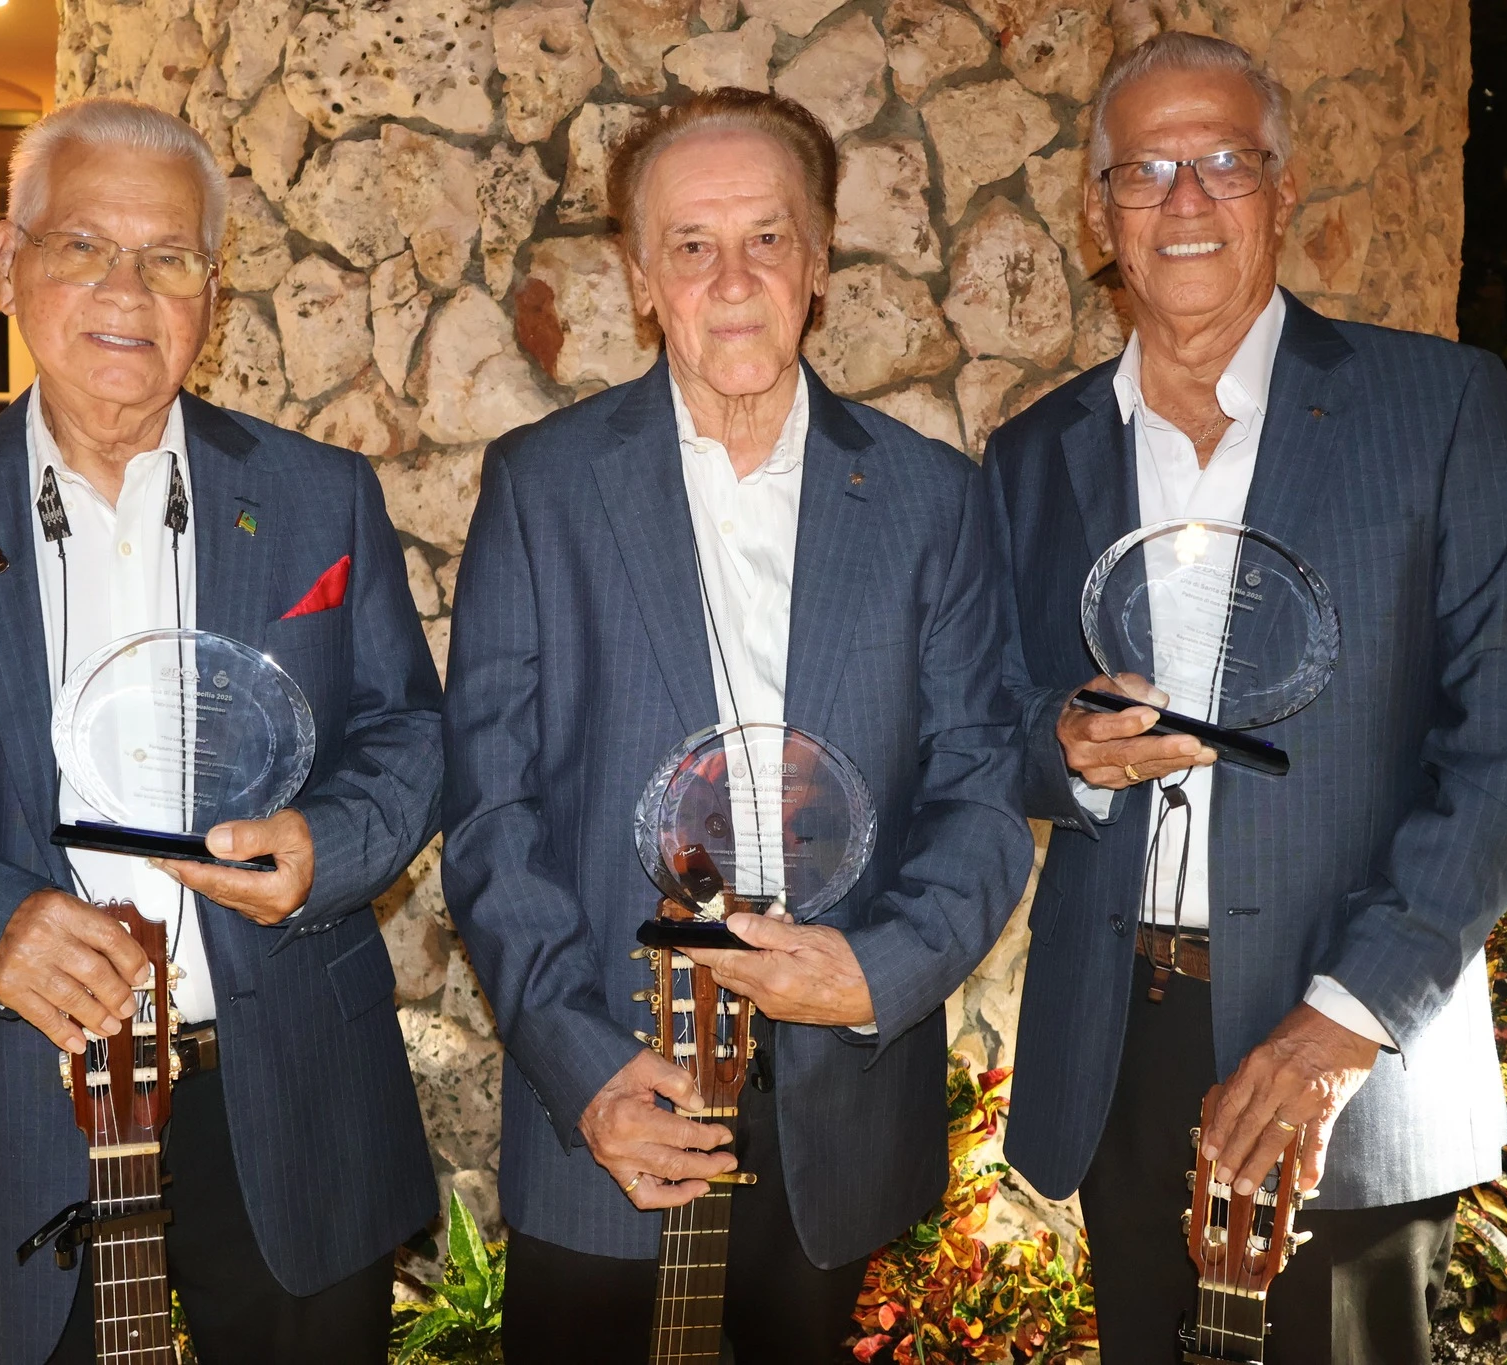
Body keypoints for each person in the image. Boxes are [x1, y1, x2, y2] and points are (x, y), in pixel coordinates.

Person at [0, 98, 442, 1365]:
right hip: (15, 1108)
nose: (128, 290)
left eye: (169, 256)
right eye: (83, 245)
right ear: (8, 262)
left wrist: (325, 845)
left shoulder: (320, 496)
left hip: (285, 1096)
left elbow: (407, 735)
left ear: (212, 292)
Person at [988, 32, 1507, 1364]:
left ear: (1283, 186)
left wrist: (1342, 1021)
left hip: (1358, 1042)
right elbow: (991, 722)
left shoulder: (1436, 407)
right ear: (1098, 211)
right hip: (1120, 1042)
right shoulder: (1032, 454)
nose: (1184, 200)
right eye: (1145, 170)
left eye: (1222, 162)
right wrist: (1064, 748)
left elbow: (1503, 757)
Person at [441, 88, 1033, 1365]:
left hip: (833, 1112)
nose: (731, 279)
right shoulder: (541, 487)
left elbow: (980, 788)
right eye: (690, 245)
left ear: (817, 263)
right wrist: (583, 1065)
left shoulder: (931, 501)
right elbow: (489, 813)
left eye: (766, 238)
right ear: (639, 279)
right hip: (609, 1103)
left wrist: (879, 971)